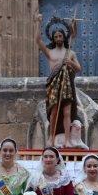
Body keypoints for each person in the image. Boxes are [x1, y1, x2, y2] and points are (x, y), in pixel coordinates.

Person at [36, 14, 82, 147]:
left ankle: (67, 140)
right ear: (53, 38)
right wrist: (38, 23)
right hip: (54, 84)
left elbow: (78, 68)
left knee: (67, 112)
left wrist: (70, 63)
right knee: (54, 111)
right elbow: (38, 40)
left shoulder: (70, 53)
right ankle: (51, 138)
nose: (58, 38)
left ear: (64, 37)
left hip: (67, 84)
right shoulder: (50, 53)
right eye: (55, 37)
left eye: (60, 36)